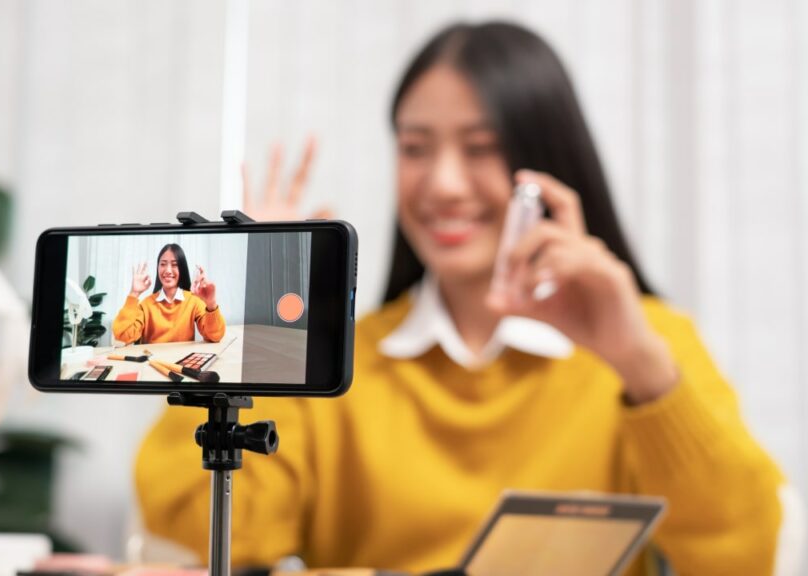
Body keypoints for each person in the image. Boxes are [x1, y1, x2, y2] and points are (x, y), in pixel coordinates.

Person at [135, 22, 784, 575]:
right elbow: (213, 531)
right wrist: (249, 317)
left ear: (547, 161)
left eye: (482, 149)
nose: (443, 184)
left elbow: (744, 552)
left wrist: (640, 363)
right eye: (416, 148)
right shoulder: (336, 360)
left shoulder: (647, 346)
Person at [112, 243, 225, 344]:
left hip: (181, 365)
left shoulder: (193, 301)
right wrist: (134, 293)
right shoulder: (146, 304)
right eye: (163, 264)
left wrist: (211, 304)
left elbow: (215, 336)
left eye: (174, 264)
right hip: (152, 364)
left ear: (182, 269)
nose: (168, 270)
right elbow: (122, 336)